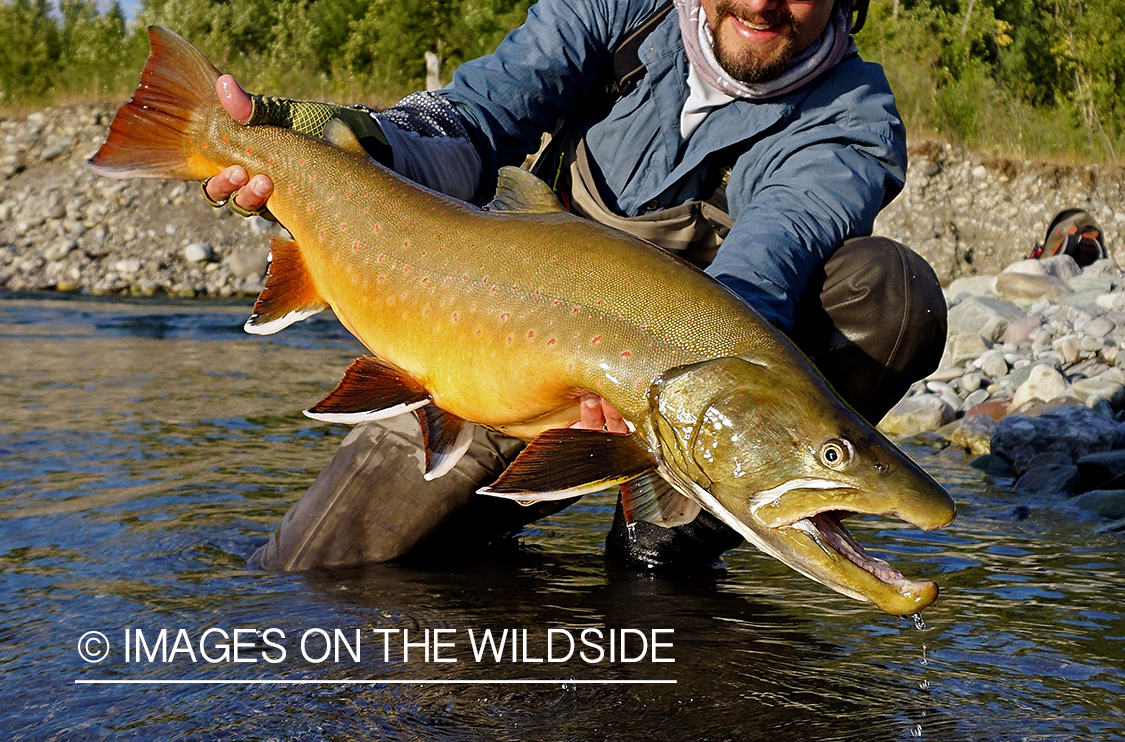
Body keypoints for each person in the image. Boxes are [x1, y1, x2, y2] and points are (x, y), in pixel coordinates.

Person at [203, 0, 947, 572]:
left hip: (661, 404)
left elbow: (761, 273)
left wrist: (653, 396)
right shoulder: (617, 10)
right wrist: (357, 144)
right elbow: (472, 120)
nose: (758, 4)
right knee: (313, 573)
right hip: (484, 330)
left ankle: (660, 542)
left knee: (888, 291)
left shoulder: (852, 121)